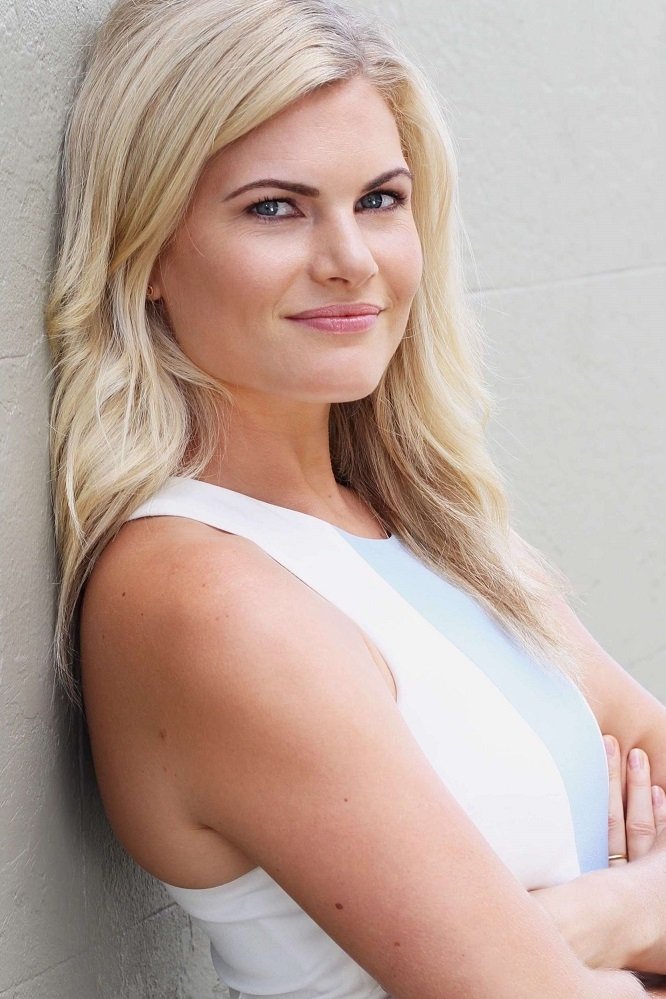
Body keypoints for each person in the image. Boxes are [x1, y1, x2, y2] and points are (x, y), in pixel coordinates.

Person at [45, 0, 666, 996]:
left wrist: (603, 917)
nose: (352, 260)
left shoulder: (437, 532)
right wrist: (627, 919)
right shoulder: (199, 596)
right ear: (148, 249)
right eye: (275, 208)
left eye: (380, 199)